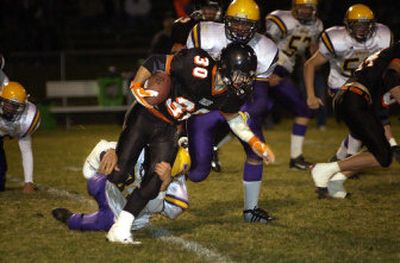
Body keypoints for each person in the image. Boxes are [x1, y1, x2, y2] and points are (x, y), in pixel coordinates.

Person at [106, 43, 275, 244]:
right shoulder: (197, 65)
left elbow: (233, 119)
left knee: (156, 179)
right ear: (226, 68)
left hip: (169, 127)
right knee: (119, 172)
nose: (245, 80)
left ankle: (120, 228)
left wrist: (254, 142)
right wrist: (136, 84)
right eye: (241, 75)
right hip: (146, 115)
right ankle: (102, 179)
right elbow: (156, 61)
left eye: (247, 75)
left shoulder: (231, 93)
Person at [185, 0, 279, 223]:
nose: (240, 29)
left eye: (246, 25)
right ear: (225, 20)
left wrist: (247, 116)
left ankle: (251, 210)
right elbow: (188, 74)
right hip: (206, 102)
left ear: (256, 26)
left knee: (256, 152)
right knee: (198, 173)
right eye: (236, 23)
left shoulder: (266, 49)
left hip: (238, 104)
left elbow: (261, 95)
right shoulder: (204, 33)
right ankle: (166, 184)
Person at [304, 3, 395, 162]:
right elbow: (310, 64)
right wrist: (311, 95)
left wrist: (389, 88)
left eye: (366, 25)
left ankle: (340, 159)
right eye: (357, 25)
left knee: (362, 125)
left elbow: (389, 65)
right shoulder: (335, 39)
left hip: (366, 86)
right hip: (341, 85)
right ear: (347, 25)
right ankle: (347, 160)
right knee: (361, 121)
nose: (362, 29)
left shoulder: (383, 36)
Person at [311, 41, 400, 199]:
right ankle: (324, 169)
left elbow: (381, 115)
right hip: (355, 98)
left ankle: (336, 182)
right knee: (383, 157)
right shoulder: (394, 59)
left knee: (378, 149)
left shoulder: (385, 57)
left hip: (351, 98)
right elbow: (391, 77)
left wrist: (392, 143)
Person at [51, 139, 190, 237]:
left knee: (85, 223)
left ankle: (71, 218)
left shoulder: (175, 189)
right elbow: (89, 167)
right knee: (93, 181)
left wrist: (163, 187)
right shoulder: (143, 150)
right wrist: (109, 152)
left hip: (118, 214)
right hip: (107, 187)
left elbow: (152, 208)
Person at [263, 0, 323, 170]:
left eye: (309, 8)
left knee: (251, 115)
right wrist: (268, 71)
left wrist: (315, 54)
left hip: (284, 70)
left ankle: (296, 158)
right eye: (303, 7)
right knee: (246, 115)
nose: (306, 11)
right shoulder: (281, 19)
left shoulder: (316, 25)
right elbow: (264, 45)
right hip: (272, 69)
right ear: (295, 7)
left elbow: (312, 48)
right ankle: (295, 159)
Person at [0, 82, 41, 193]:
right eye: (8, 104)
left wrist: (29, 182)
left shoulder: (26, 118)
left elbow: (26, 151)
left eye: (15, 106)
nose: (11, 108)